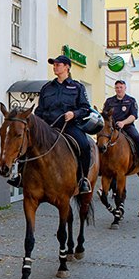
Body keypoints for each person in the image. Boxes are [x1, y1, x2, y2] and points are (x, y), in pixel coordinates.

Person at [33, 55, 94, 194]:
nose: (55, 67)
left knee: (84, 145)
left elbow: (85, 109)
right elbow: (39, 109)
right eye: (54, 65)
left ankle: (83, 179)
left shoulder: (77, 87)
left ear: (67, 67)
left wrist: (74, 114)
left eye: (58, 64)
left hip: (69, 126)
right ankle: (20, 176)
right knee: (28, 143)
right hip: (48, 127)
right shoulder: (47, 88)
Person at [102, 80, 139, 170]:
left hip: (127, 126)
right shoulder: (109, 101)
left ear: (125, 88)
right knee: (102, 140)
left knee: (137, 138)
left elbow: (133, 116)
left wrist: (123, 123)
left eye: (121, 87)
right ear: (115, 89)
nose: (119, 89)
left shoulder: (131, 100)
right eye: (117, 87)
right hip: (112, 127)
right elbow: (105, 114)